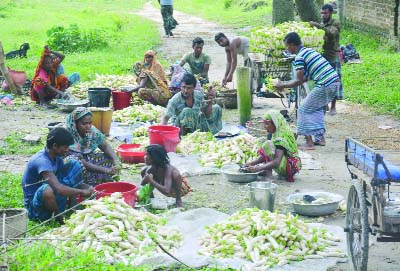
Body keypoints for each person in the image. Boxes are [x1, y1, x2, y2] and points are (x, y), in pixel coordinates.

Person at [275, 32, 340, 150]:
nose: (287, 49)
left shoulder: (299, 57)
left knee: (303, 109)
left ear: (292, 45)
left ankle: (309, 143)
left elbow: (299, 80)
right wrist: (286, 84)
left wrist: (282, 84)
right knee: (316, 108)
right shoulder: (309, 51)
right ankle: (320, 139)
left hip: (325, 84)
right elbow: (306, 77)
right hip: (334, 82)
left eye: (287, 46)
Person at [22, 127, 93, 222]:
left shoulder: (56, 157)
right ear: (55, 146)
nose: (68, 149)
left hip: (53, 192)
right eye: (65, 147)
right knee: (46, 190)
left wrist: (82, 188)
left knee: (74, 163)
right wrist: (82, 192)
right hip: (36, 208)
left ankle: (72, 207)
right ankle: (58, 217)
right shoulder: (42, 161)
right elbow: (59, 189)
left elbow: (61, 180)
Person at [65, 107, 121, 187]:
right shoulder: (68, 135)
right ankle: (82, 186)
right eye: (84, 123)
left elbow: (105, 146)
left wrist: (116, 161)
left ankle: (102, 184)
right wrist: (106, 170)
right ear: (75, 123)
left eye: (90, 123)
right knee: (78, 163)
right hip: (73, 165)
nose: (88, 126)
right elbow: (82, 162)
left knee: (110, 157)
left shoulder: (92, 131)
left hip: (87, 159)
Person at [242, 111, 301, 182]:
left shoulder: (281, 136)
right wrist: (250, 163)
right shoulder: (276, 131)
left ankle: (269, 176)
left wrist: (258, 168)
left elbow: (276, 161)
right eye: (264, 123)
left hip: (290, 167)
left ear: (275, 123)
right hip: (283, 163)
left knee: (267, 144)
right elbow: (266, 155)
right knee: (262, 141)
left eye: (267, 124)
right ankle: (266, 170)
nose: (264, 126)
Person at [309, 3, 343, 115]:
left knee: (334, 81)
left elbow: (331, 33)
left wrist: (318, 26)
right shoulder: (322, 23)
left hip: (333, 55)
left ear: (331, 13)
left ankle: (333, 106)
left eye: (325, 13)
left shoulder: (335, 23)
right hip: (322, 56)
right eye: (322, 13)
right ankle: (325, 105)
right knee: (322, 80)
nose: (323, 15)